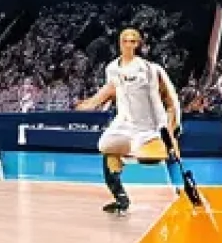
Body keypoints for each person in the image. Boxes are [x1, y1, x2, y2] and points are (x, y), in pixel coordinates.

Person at [77, 27, 181, 214]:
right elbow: (112, 89)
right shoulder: (112, 68)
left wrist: (171, 130)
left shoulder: (152, 69)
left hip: (151, 126)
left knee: (157, 158)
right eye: (125, 40)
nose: (128, 44)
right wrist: (90, 103)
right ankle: (120, 198)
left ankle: (177, 189)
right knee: (107, 148)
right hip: (125, 124)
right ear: (120, 43)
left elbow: (170, 100)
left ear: (138, 44)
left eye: (133, 41)